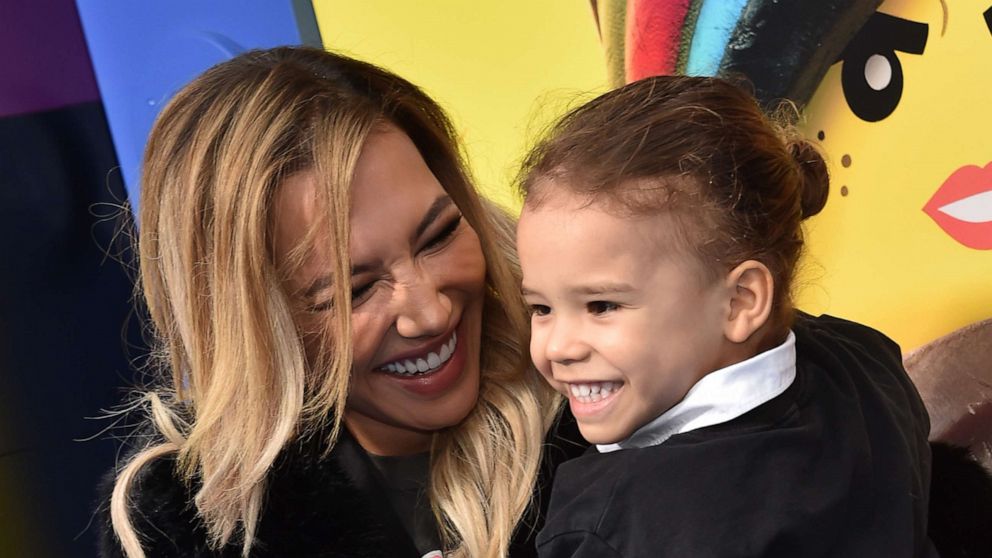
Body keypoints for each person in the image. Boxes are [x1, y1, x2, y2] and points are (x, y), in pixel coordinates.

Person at [96, 46, 583, 558]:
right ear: (253, 326)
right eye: (354, 292)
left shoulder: (612, 380)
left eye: (439, 235)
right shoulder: (179, 524)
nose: (430, 313)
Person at [515, 75, 937, 557]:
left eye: (602, 306)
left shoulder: (614, 526)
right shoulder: (866, 358)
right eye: (541, 308)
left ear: (740, 301)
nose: (558, 348)